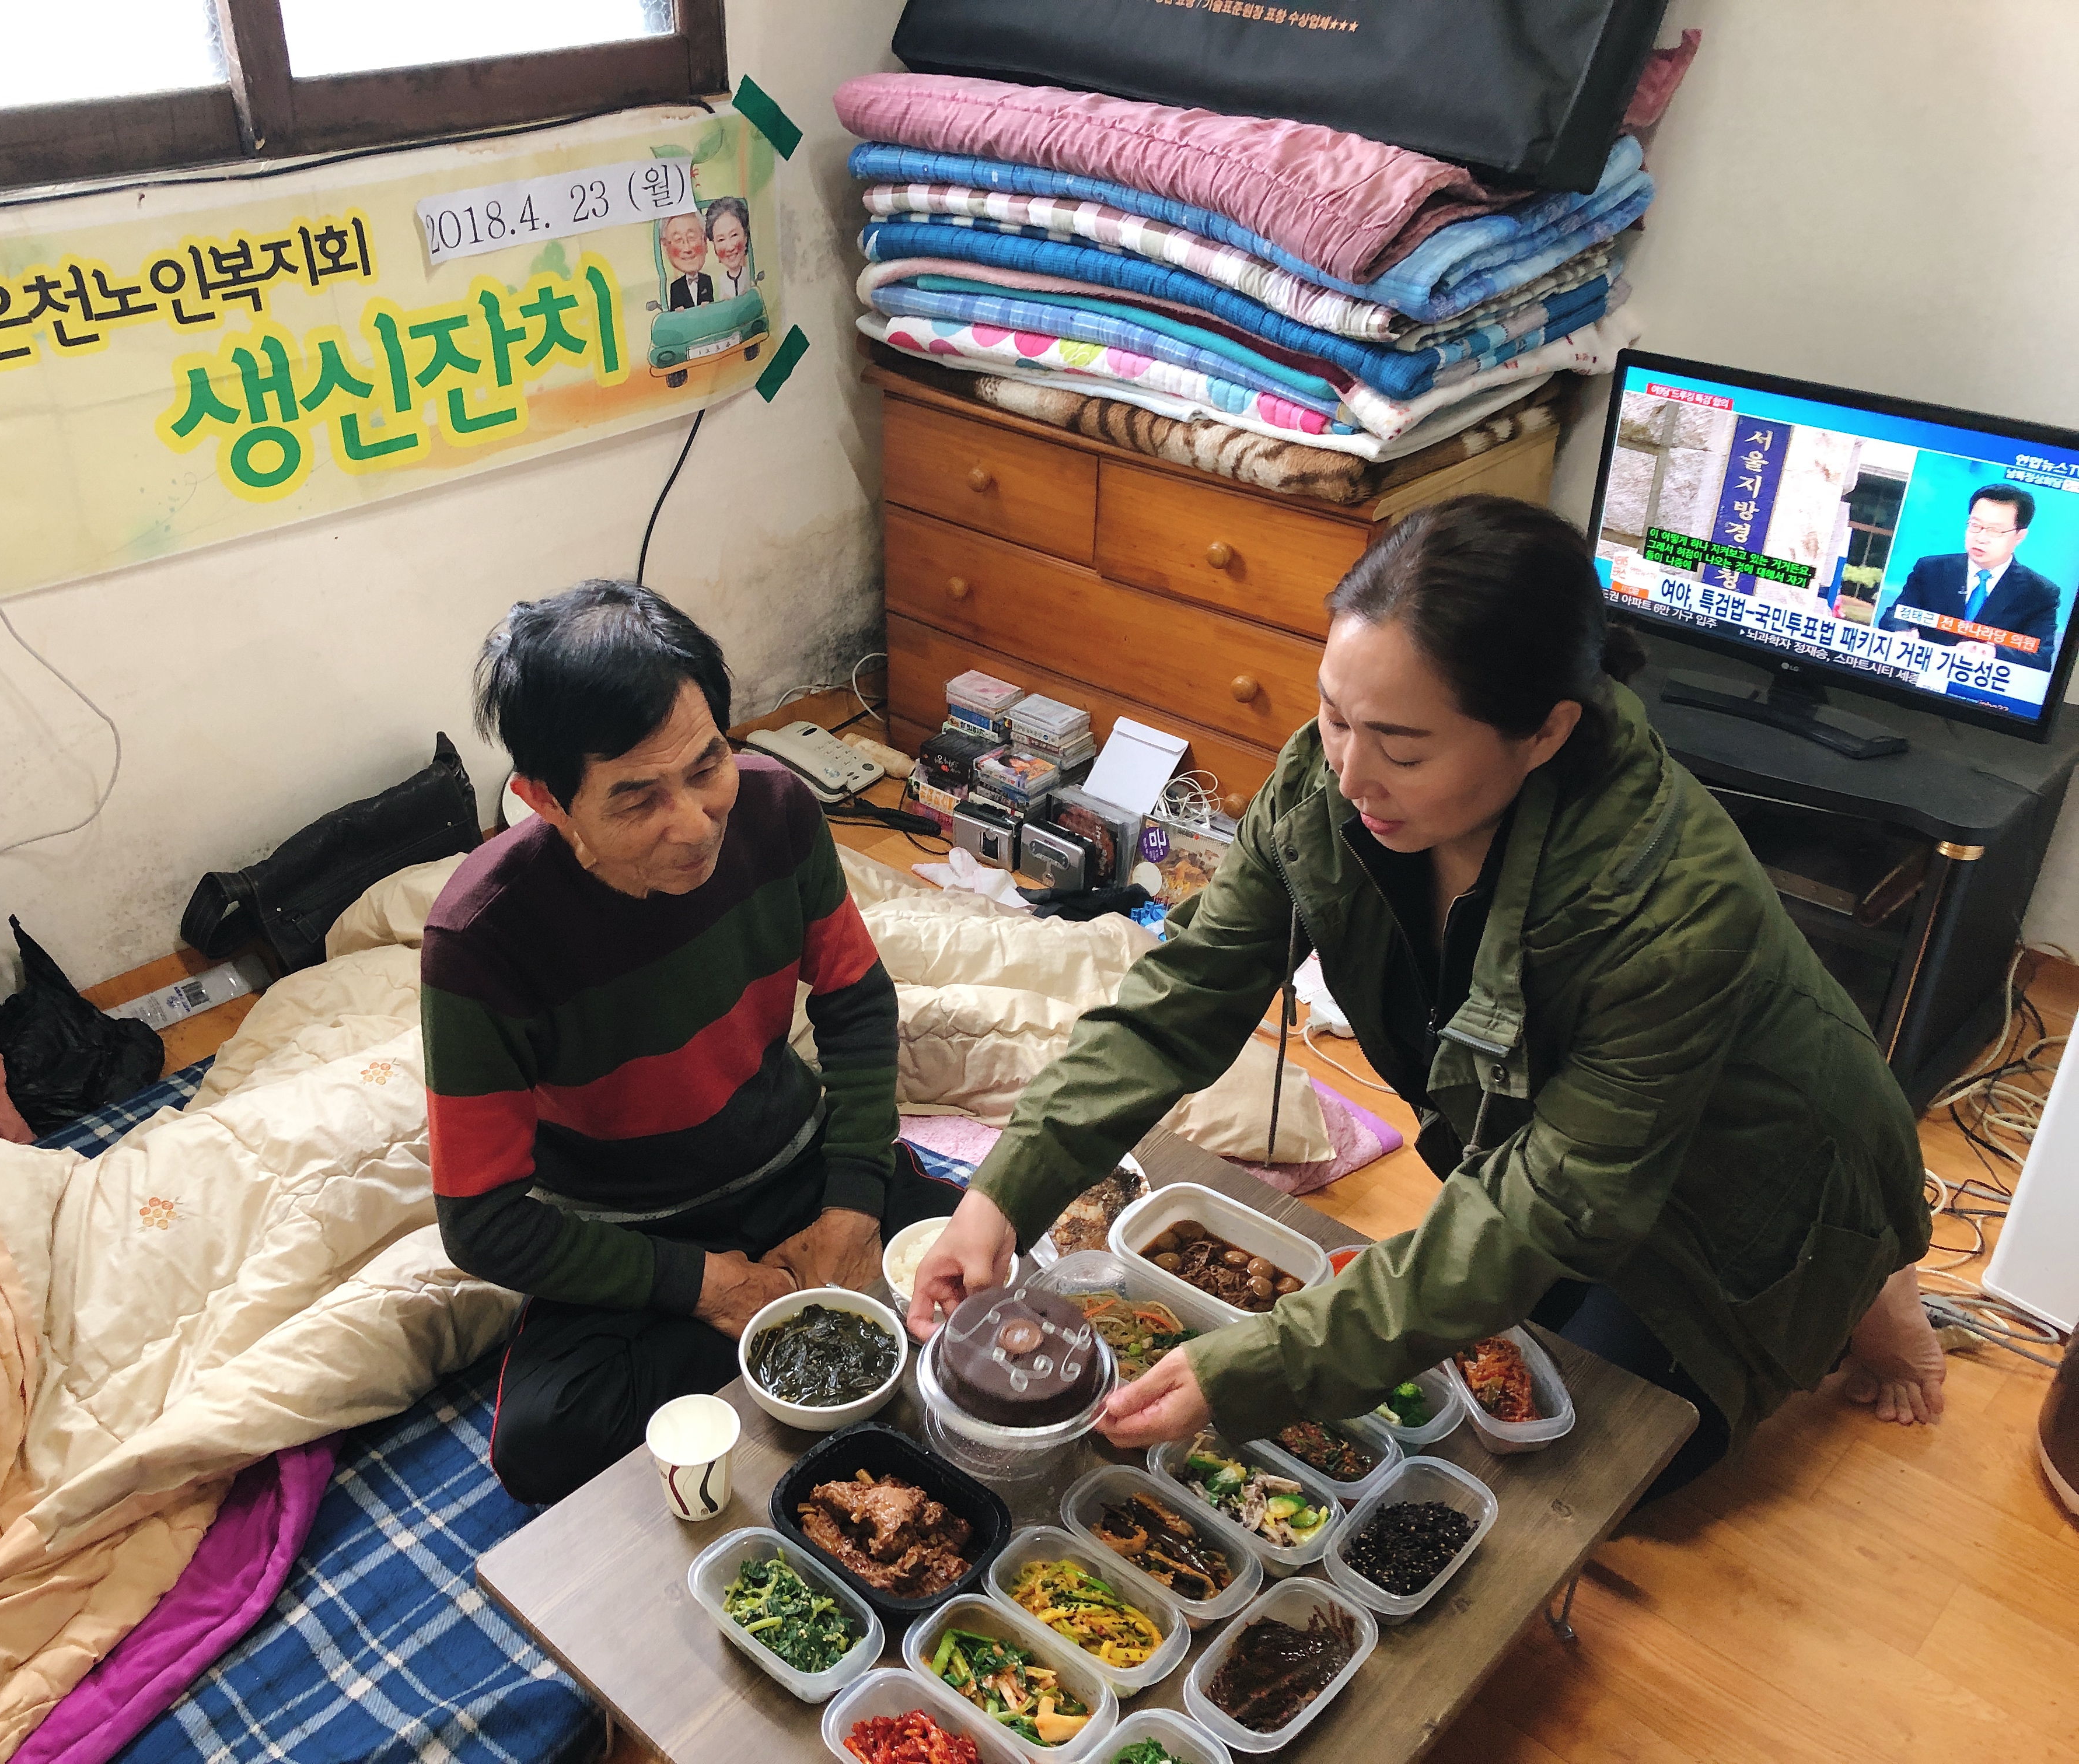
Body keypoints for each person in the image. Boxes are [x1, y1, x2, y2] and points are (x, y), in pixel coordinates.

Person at [908, 496, 1941, 1506]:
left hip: (1747, 1165)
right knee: (1486, 1347)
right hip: (1575, 1143)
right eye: (1332, 713)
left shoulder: (1672, 907)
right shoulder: (1329, 780)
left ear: (1545, 732)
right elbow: (1186, 994)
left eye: (1402, 747)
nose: (1351, 773)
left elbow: (1553, 1205)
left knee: (1623, 1460)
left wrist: (1269, 1363)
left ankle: (1867, 1264)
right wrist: (1006, 1189)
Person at [427, 582, 959, 1503]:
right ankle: (787, 1340)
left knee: (995, 1265)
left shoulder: (777, 809)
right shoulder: (481, 941)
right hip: (632, 1232)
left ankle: (785, 1339)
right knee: (545, 1442)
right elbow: (482, 1222)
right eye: (637, 799)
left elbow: (857, 1002)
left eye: (708, 764)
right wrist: (704, 1286)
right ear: (546, 800)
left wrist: (853, 1203)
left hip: (795, 1166)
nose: (696, 823)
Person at [1879, 484, 2061, 670]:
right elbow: (1895, 615)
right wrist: (1901, 630)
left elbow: (2041, 657)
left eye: (1995, 530)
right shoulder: (1931, 569)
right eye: (1975, 526)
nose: (1981, 538)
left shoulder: (2039, 593)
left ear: (2019, 536)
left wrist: (1992, 652)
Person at [661, 211, 714, 310]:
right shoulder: (676, 287)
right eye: (678, 239)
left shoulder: (707, 280)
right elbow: (674, 311)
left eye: (692, 237)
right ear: (665, 247)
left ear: (705, 240)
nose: (687, 249)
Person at [705, 196, 753, 301]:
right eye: (721, 240)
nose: (730, 247)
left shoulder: (749, 274)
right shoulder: (722, 280)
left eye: (734, 235)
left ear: (746, 236)